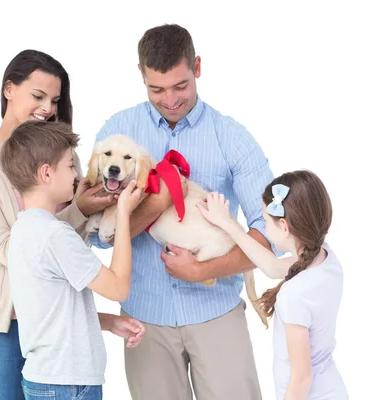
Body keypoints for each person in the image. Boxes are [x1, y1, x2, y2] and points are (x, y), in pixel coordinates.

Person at [89, 24, 275, 400]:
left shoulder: (231, 136)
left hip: (216, 311)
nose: (170, 99)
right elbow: (97, 236)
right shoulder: (118, 134)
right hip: (144, 318)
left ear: (198, 67)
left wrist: (204, 270)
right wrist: (154, 205)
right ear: (140, 74)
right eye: (156, 89)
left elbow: (270, 232)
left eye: (180, 86)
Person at [0, 49, 144, 399]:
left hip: (59, 331)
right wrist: (80, 210)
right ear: (9, 89)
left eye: (55, 100)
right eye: (38, 96)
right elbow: (15, 250)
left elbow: (72, 261)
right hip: (5, 328)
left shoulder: (58, 154)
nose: (48, 108)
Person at [0, 120, 143, 400]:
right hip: (67, 384)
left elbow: (50, 313)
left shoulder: (24, 229)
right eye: (69, 165)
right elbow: (118, 287)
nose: (77, 173)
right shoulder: (55, 235)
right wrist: (123, 213)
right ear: (46, 173)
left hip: (47, 378)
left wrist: (108, 322)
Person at [198, 170, 348, 400]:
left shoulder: (293, 295)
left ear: (284, 227)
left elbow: (301, 378)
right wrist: (227, 224)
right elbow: (271, 266)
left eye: (265, 221)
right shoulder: (325, 256)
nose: (265, 229)